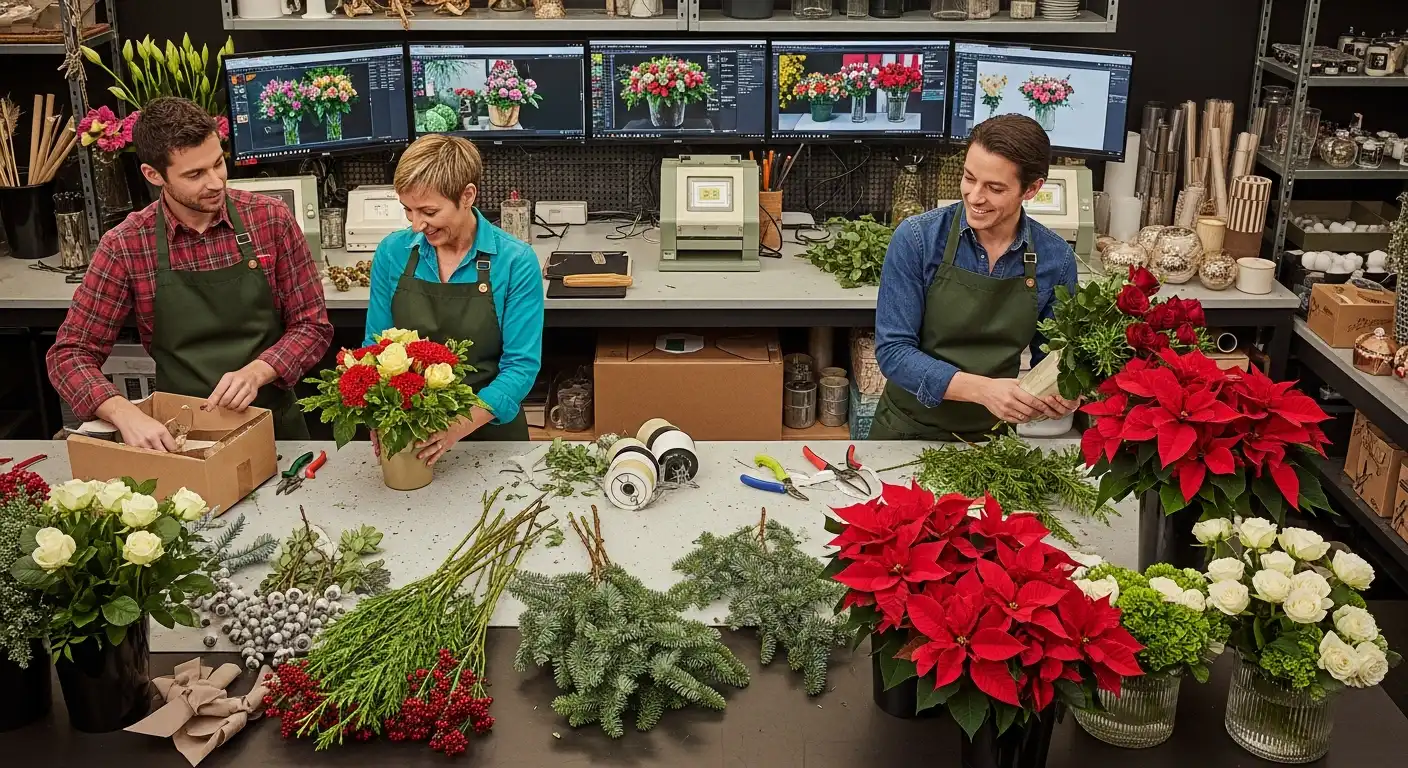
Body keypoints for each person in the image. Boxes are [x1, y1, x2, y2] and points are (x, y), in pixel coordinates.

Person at [47, 97, 333, 447]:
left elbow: (312, 325)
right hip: (181, 435)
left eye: (218, 164)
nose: (215, 182)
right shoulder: (126, 245)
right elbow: (70, 354)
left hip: (275, 428)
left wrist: (258, 371)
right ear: (154, 175)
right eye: (195, 174)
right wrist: (124, 412)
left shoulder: (269, 219)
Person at [869, 114, 1080, 441]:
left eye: (994, 188)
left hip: (991, 441)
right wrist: (983, 391)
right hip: (906, 430)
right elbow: (894, 352)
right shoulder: (918, 239)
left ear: (1032, 189)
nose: (975, 197)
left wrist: (1064, 394)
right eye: (969, 178)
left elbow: (1055, 361)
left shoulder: (1056, 259)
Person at [364, 133, 543, 461]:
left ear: (467, 196)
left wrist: (457, 425)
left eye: (429, 212)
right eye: (408, 210)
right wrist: (377, 411)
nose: (417, 225)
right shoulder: (393, 253)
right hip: (410, 433)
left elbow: (521, 367)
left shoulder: (515, 261)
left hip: (492, 439)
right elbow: (374, 348)